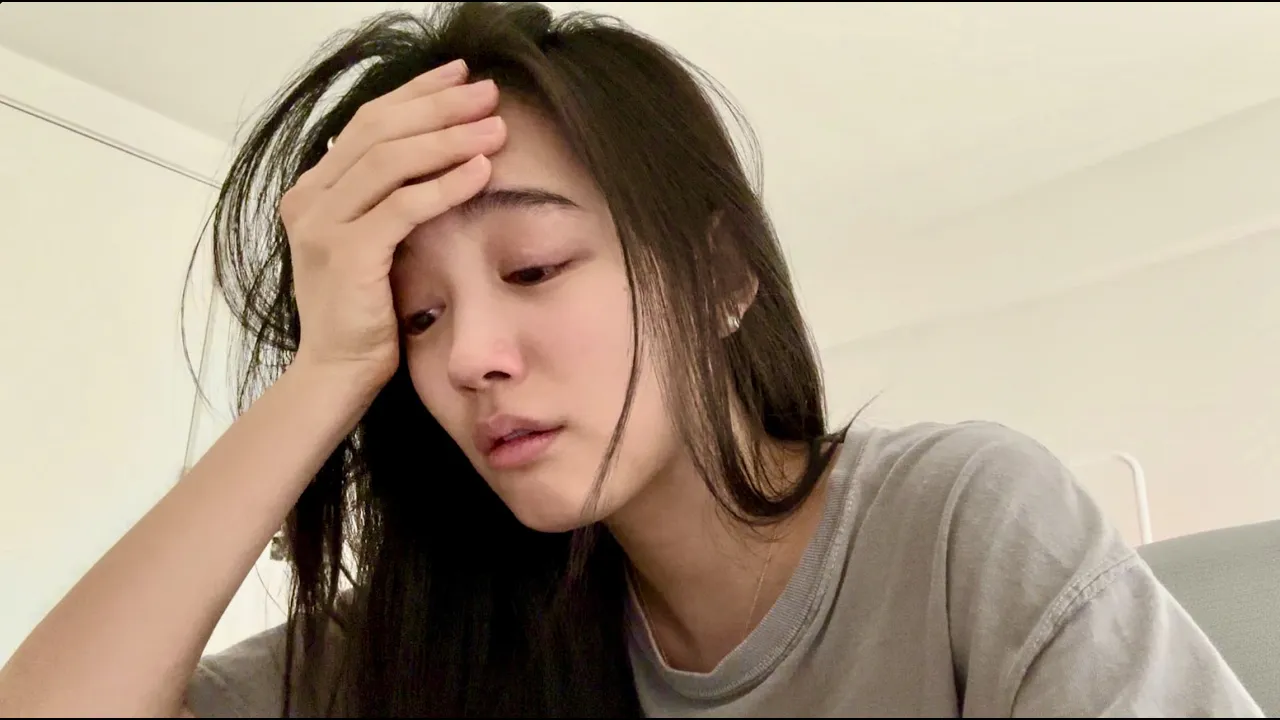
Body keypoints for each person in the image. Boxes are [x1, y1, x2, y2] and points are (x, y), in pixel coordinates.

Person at [0, 2, 1263, 718]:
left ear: (720, 278)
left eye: (534, 268)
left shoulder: (957, 529)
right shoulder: (446, 631)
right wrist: (326, 370)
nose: (469, 357)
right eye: (417, 318)